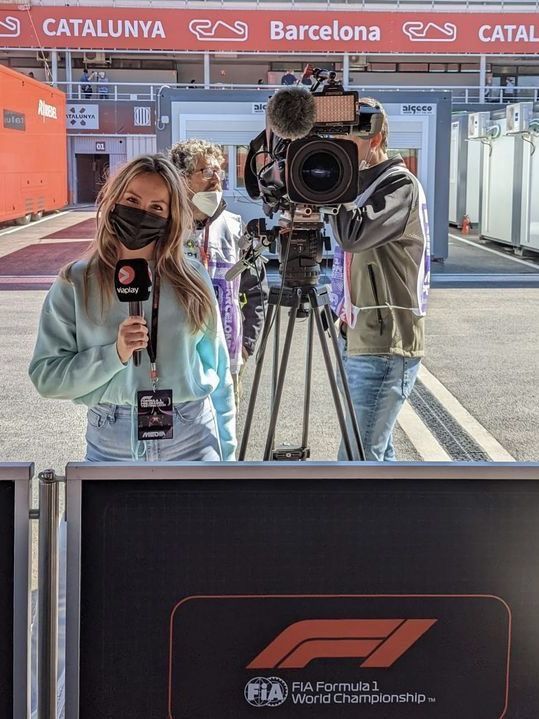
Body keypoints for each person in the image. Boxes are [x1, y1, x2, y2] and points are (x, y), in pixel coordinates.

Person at [29, 154, 236, 462]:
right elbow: (47, 377)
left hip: (192, 433)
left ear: (171, 217)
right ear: (114, 202)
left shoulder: (193, 278)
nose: (142, 214)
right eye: (133, 201)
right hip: (112, 439)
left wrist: (229, 457)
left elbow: (219, 371)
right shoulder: (76, 282)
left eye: (156, 207)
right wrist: (114, 355)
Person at [329, 98, 430, 462]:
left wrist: (330, 189)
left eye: (353, 135)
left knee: (357, 461)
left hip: (386, 342)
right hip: (359, 334)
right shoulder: (359, 185)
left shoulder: (398, 185)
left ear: (378, 137)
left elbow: (353, 235)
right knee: (376, 454)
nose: (342, 145)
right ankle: (395, 519)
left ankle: (359, 520)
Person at [168, 139, 268, 406]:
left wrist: (246, 345)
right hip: (176, 367)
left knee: (225, 443)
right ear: (181, 179)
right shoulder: (164, 228)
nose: (217, 180)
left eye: (219, 172)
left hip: (228, 363)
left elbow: (256, 290)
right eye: (206, 172)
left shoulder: (234, 227)